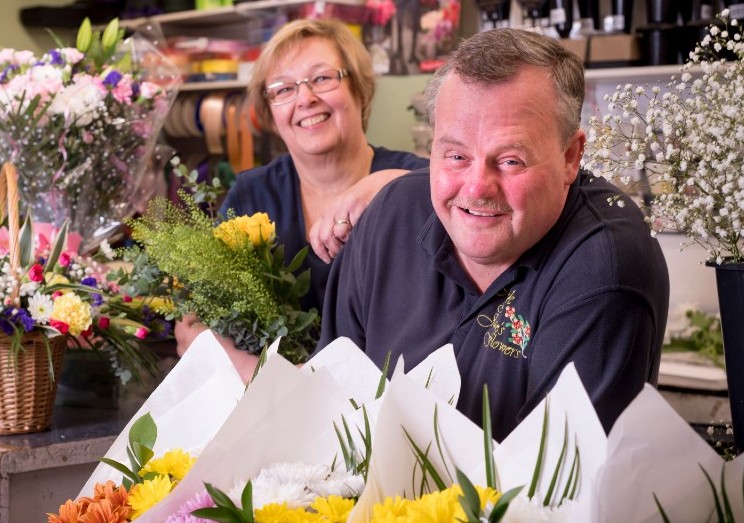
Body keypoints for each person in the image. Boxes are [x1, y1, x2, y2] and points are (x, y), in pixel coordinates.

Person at [317, 28, 670, 438]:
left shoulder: (604, 265)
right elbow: (329, 412)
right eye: (456, 155)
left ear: (571, 156)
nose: (476, 188)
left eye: (510, 161)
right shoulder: (390, 218)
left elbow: (554, 490)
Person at [174, 18, 429, 380]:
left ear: (359, 87)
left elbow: (460, 194)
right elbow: (193, 325)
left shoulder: (415, 180)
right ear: (270, 113)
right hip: (275, 402)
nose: (306, 98)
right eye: (283, 89)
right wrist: (269, 377)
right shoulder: (252, 194)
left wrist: (384, 185)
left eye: (322, 78)